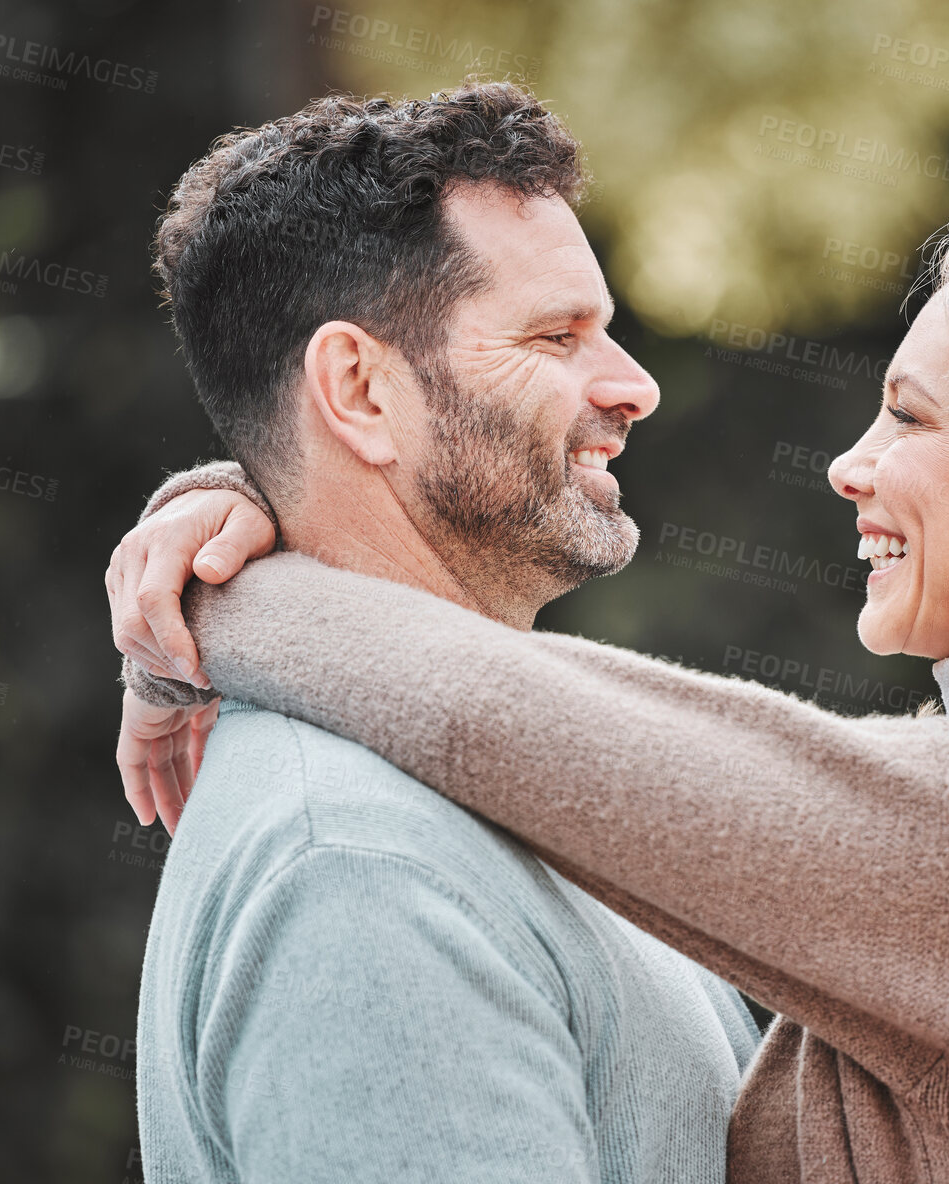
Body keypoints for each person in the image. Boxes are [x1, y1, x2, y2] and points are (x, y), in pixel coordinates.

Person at [112, 190, 949, 1182]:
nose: (849, 465)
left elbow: (499, 719)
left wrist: (220, 590)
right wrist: (262, 508)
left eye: (909, 418)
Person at [114, 82, 766, 1184]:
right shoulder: (363, 871)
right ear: (360, 389)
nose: (634, 386)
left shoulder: (502, 785)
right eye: (556, 336)